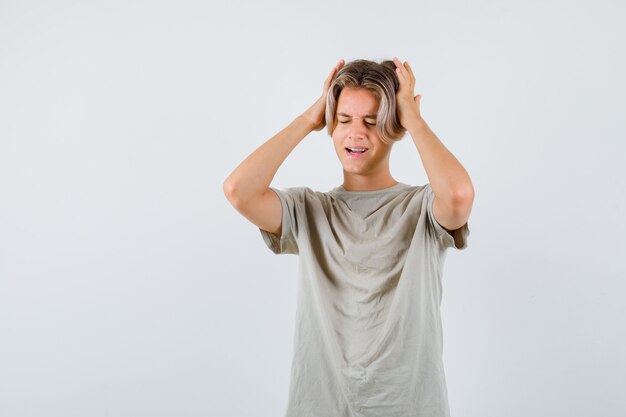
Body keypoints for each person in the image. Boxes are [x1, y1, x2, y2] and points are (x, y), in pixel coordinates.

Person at [223, 57, 474, 417]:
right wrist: (310, 118)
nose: (356, 133)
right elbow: (238, 190)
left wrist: (415, 120)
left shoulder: (421, 208)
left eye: (372, 122)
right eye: (343, 120)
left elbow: (460, 196)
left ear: (395, 127)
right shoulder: (309, 210)